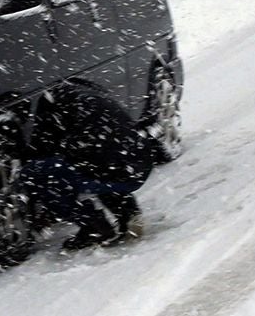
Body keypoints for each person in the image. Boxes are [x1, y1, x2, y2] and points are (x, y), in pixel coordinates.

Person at [23, 88, 161, 250]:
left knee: (36, 172)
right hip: (139, 164)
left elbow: (50, 154)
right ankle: (128, 213)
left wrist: (45, 208)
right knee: (99, 161)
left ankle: (95, 227)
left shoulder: (51, 113)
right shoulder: (88, 98)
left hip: (111, 167)